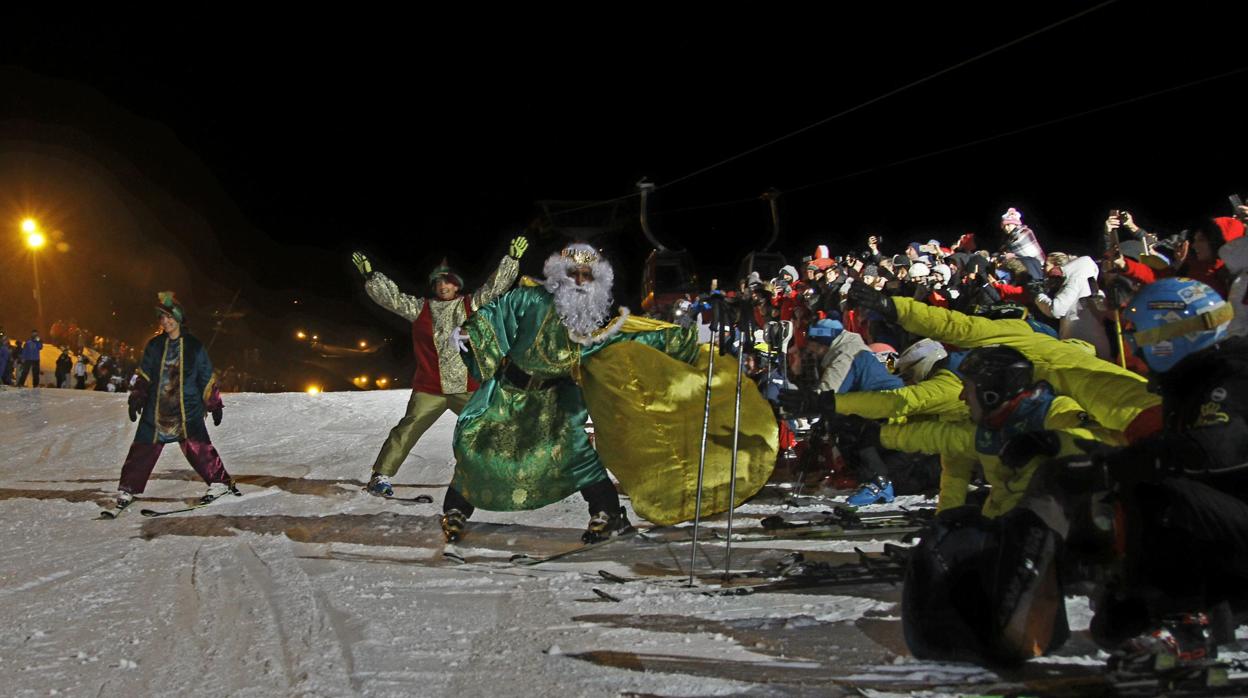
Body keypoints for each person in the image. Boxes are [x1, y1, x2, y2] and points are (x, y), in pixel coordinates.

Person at [446, 242, 704, 543]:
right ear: (560, 274)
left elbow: (626, 344)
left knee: (577, 454)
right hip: (508, 395)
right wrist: (470, 331)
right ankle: (455, 509)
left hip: (556, 402)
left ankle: (607, 514)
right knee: (479, 448)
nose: (580, 281)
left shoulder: (592, 319)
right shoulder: (529, 298)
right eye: (574, 273)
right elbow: (495, 314)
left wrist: (683, 340)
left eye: (587, 274)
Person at [352, 236, 526, 497]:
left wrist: (511, 260)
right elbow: (393, 299)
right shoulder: (421, 308)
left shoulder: (471, 305)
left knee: (490, 427)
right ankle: (380, 476)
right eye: (438, 282)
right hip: (430, 387)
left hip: (466, 386)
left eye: (448, 281)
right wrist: (373, 277)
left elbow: (494, 287)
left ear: (457, 286)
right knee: (407, 429)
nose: (443, 286)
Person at [110, 292, 233, 512]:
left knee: (200, 448)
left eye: (169, 316)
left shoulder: (194, 346)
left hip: (187, 408)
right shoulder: (155, 345)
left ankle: (220, 483)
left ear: (178, 317)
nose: (165, 321)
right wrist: (137, 396)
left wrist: (214, 404)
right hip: (157, 408)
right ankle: (128, 489)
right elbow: (145, 374)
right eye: (161, 317)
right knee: (142, 448)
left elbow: (205, 376)